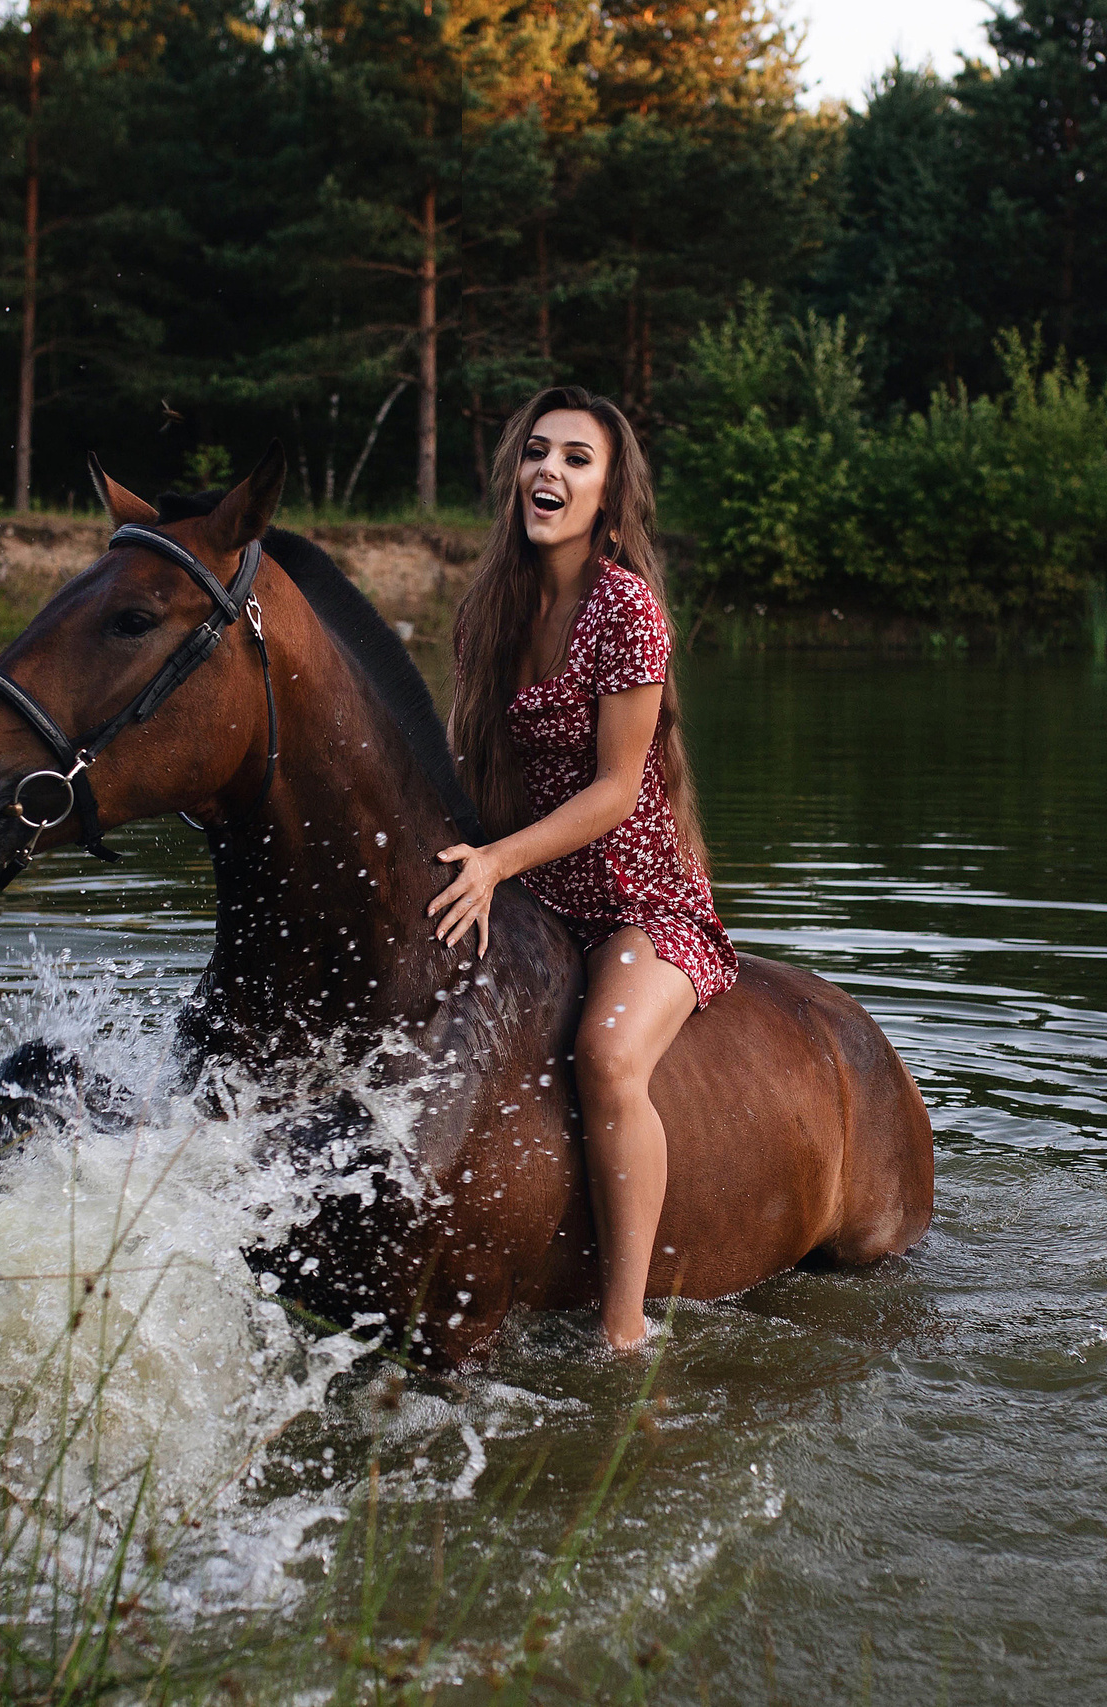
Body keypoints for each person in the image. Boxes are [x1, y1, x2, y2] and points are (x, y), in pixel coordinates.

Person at [427, 385, 737, 1352]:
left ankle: (624, 1325)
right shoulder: (488, 611)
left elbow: (614, 790)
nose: (548, 470)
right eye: (536, 452)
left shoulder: (626, 607)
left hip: (640, 900)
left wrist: (494, 861)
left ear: (609, 494)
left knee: (605, 1057)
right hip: (536, 892)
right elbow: (461, 761)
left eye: (575, 458)